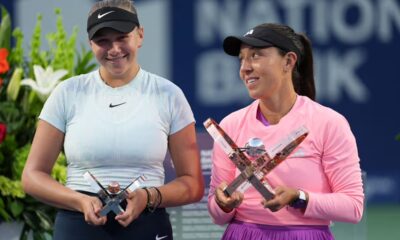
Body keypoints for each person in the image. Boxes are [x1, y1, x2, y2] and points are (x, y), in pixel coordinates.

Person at [21, 0, 204, 239]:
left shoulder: (169, 95)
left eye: (122, 37)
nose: (114, 49)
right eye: (103, 41)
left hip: (147, 223)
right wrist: (79, 201)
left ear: (140, 35)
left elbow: (193, 184)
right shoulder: (67, 93)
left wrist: (149, 197)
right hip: (78, 224)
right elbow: (32, 176)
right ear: (90, 44)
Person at [207, 23, 364, 240]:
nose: (245, 67)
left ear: (288, 61)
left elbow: (353, 206)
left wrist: (299, 197)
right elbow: (217, 215)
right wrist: (222, 204)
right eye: (242, 59)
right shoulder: (231, 125)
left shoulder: (329, 123)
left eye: (256, 56)